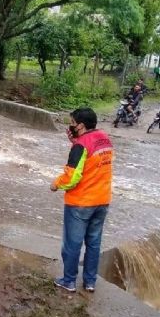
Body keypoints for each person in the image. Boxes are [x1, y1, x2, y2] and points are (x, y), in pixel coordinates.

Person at [50, 108, 114, 293]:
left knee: (72, 244)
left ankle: (69, 281)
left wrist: (55, 184)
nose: (70, 126)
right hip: (102, 201)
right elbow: (92, 165)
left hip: (80, 203)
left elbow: (71, 178)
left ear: (81, 125)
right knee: (93, 244)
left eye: (72, 122)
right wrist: (77, 141)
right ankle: (90, 282)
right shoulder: (104, 138)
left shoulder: (80, 146)